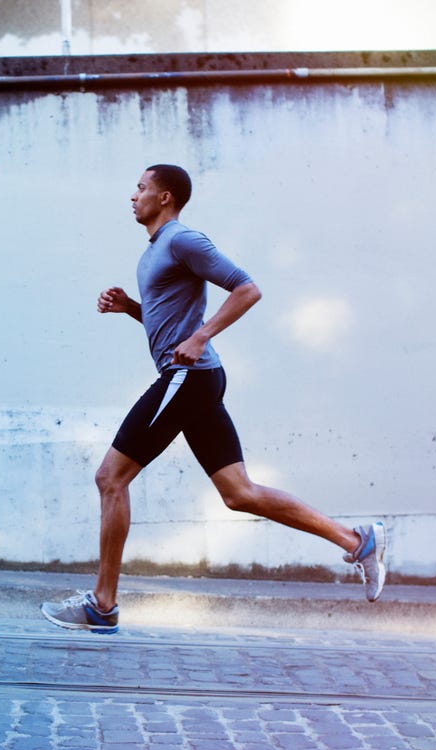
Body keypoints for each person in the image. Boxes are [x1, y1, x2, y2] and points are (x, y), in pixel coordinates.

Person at [41, 164, 386, 634]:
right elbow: (169, 329)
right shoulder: (155, 251)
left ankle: (103, 605)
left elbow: (248, 289)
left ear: (165, 197)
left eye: (141, 188)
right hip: (194, 377)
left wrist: (203, 336)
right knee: (239, 493)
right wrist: (131, 310)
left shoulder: (184, 240)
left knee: (110, 478)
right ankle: (356, 540)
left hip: (189, 377)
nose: (133, 195)